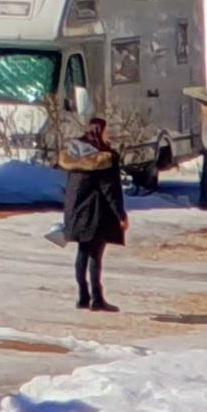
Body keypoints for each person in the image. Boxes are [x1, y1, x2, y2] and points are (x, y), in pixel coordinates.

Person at [60, 114, 129, 313]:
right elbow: (111, 190)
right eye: (107, 130)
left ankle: (83, 296)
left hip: (75, 211)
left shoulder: (74, 155)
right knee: (95, 255)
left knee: (83, 251)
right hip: (96, 213)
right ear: (100, 131)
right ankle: (97, 299)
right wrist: (121, 215)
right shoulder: (103, 158)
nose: (109, 135)